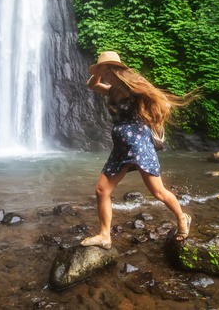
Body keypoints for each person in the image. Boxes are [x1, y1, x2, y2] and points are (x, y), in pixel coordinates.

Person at [81, 51, 198, 250]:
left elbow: (162, 100)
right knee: (101, 190)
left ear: (117, 70)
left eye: (107, 72)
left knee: (158, 192)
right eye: (103, 73)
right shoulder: (112, 91)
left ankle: (182, 217)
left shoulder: (134, 87)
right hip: (120, 146)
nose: (105, 77)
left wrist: (154, 119)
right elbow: (91, 85)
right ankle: (104, 235)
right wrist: (99, 70)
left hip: (138, 144)